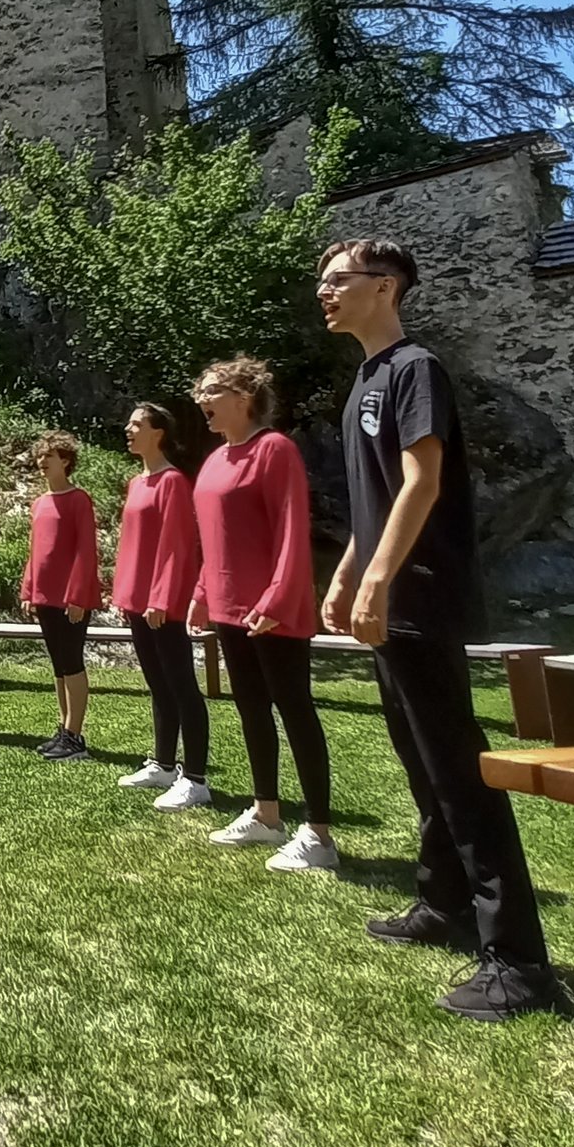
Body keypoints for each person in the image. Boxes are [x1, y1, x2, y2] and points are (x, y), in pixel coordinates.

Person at [318, 237, 562, 1022]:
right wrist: (346, 572)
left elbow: (421, 482)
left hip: (420, 594)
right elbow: (378, 495)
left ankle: (518, 964)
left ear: (384, 287)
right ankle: (442, 903)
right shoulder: (366, 377)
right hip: (390, 593)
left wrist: (383, 579)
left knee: (460, 776)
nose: (323, 293)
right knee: (419, 761)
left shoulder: (416, 369)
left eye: (337, 281)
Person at [191, 358, 335, 871]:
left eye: (211, 391)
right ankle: (266, 815)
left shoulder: (274, 450)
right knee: (252, 708)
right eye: (200, 392)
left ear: (244, 396)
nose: (201, 400)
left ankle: (319, 834)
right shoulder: (214, 460)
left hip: (273, 610)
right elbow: (213, 539)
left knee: (294, 709)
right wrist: (203, 592)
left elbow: (292, 531)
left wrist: (276, 599)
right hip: (231, 610)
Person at [114, 404, 211, 810]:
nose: (128, 429)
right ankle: (164, 764)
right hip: (138, 600)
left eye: (136, 424)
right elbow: (131, 544)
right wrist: (126, 595)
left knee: (182, 686)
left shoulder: (172, 482)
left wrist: (161, 598)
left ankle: (196, 778)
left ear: (158, 432)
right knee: (158, 683)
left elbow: (177, 546)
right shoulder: (138, 482)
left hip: (162, 604)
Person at [20, 432, 102, 760]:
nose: (42, 462)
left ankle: (75, 736)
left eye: (49, 456)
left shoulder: (79, 500)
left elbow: (85, 552)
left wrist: (78, 596)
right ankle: (64, 728)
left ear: (65, 461)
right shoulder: (39, 503)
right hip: (44, 598)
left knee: (72, 663)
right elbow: (35, 551)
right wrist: (29, 590)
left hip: (71, 600)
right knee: (58, 667)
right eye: (40, 457)